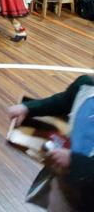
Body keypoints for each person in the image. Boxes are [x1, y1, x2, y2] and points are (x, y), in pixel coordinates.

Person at [7, 75, 94, 211]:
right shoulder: (86, 84)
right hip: (64, 178)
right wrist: (28, 108)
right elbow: (62, 101)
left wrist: (75, 161)